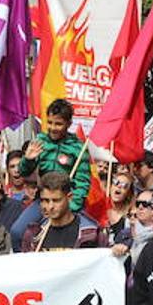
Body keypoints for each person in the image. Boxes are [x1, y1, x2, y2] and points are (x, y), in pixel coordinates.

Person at [12, 99, 91, 239]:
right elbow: (24, 172)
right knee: (17, 233)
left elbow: (83, 183)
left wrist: (70, 209)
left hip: (67, 203)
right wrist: (28, 159)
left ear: (69, 124)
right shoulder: (39, 141)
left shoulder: (78, 148)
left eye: (58, 124)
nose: (53, 127)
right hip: (42, 201)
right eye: (50, 122)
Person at [20, 172, 106, 251]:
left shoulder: (91, 234)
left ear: (69, 197)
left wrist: (116, 251)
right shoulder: (34, 234)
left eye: (56, 200)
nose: (50, 206)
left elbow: (105, 261)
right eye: (45, 200)